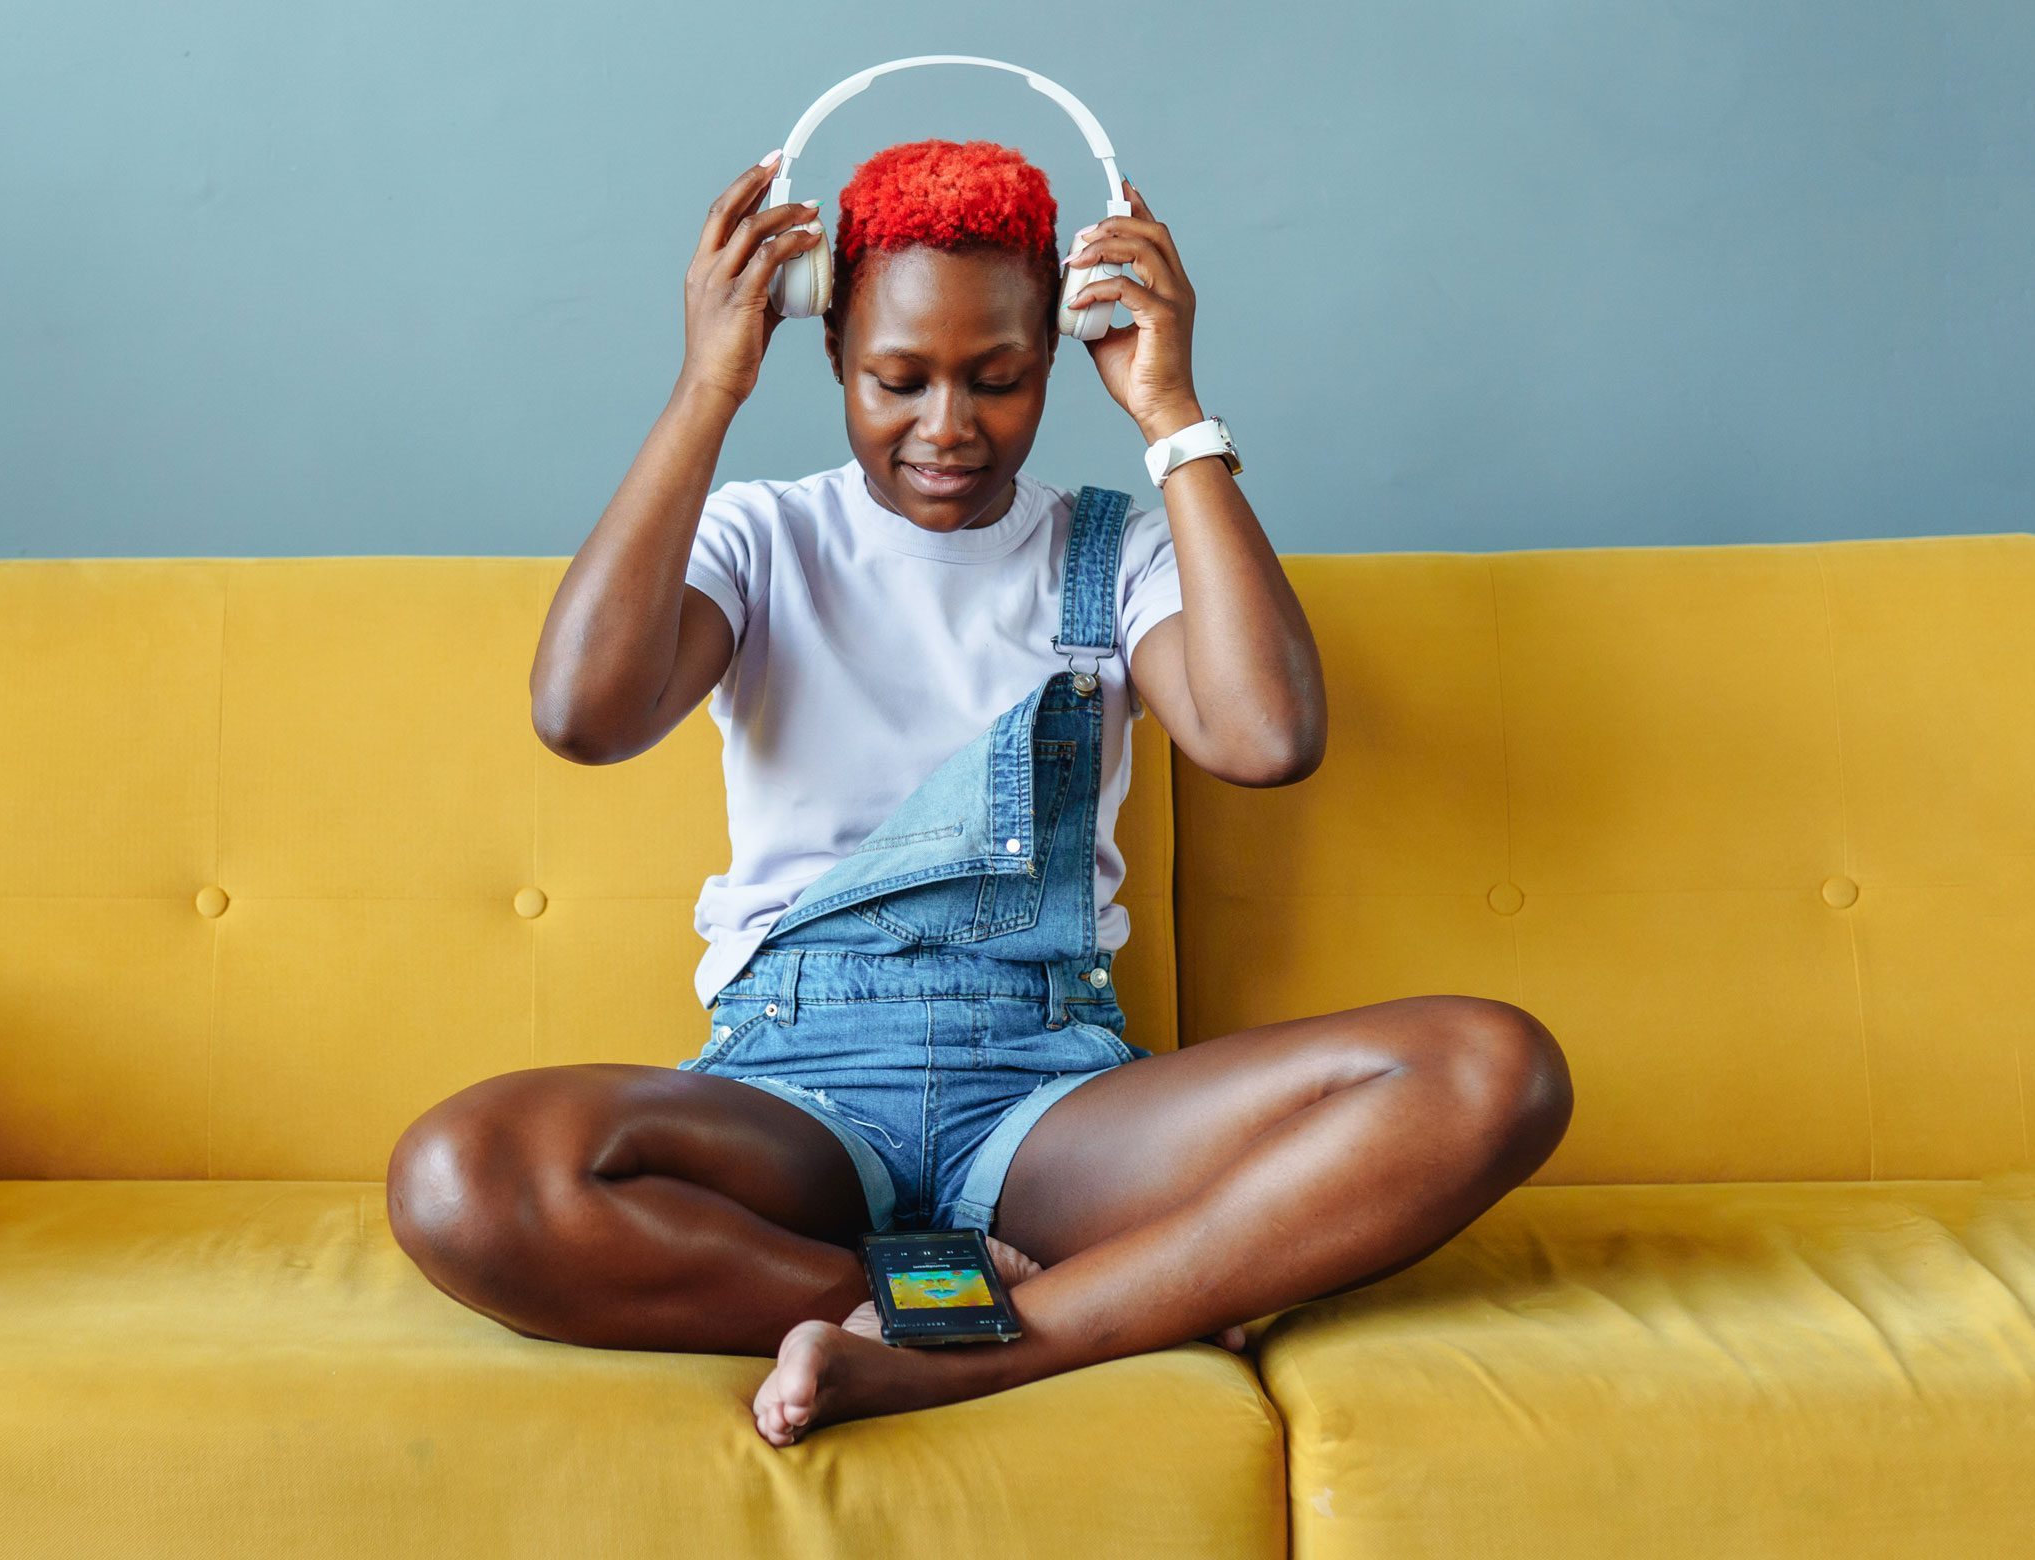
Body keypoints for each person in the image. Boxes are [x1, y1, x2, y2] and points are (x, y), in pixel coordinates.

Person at [388, 138, 1573, 1447]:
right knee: (461, 1178)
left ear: (1058, 351)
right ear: (829, 345)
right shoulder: (762, 537)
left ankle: (970, 1354)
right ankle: (971, 1304)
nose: (948, 427)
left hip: (1051, 1099)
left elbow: (1265, 738)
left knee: (1490, 1069)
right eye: (897, 379)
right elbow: (582, 716)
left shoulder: (1113, 550)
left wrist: (1173, 415)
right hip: (793, 1091)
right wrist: (707, 387)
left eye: (998, 380)